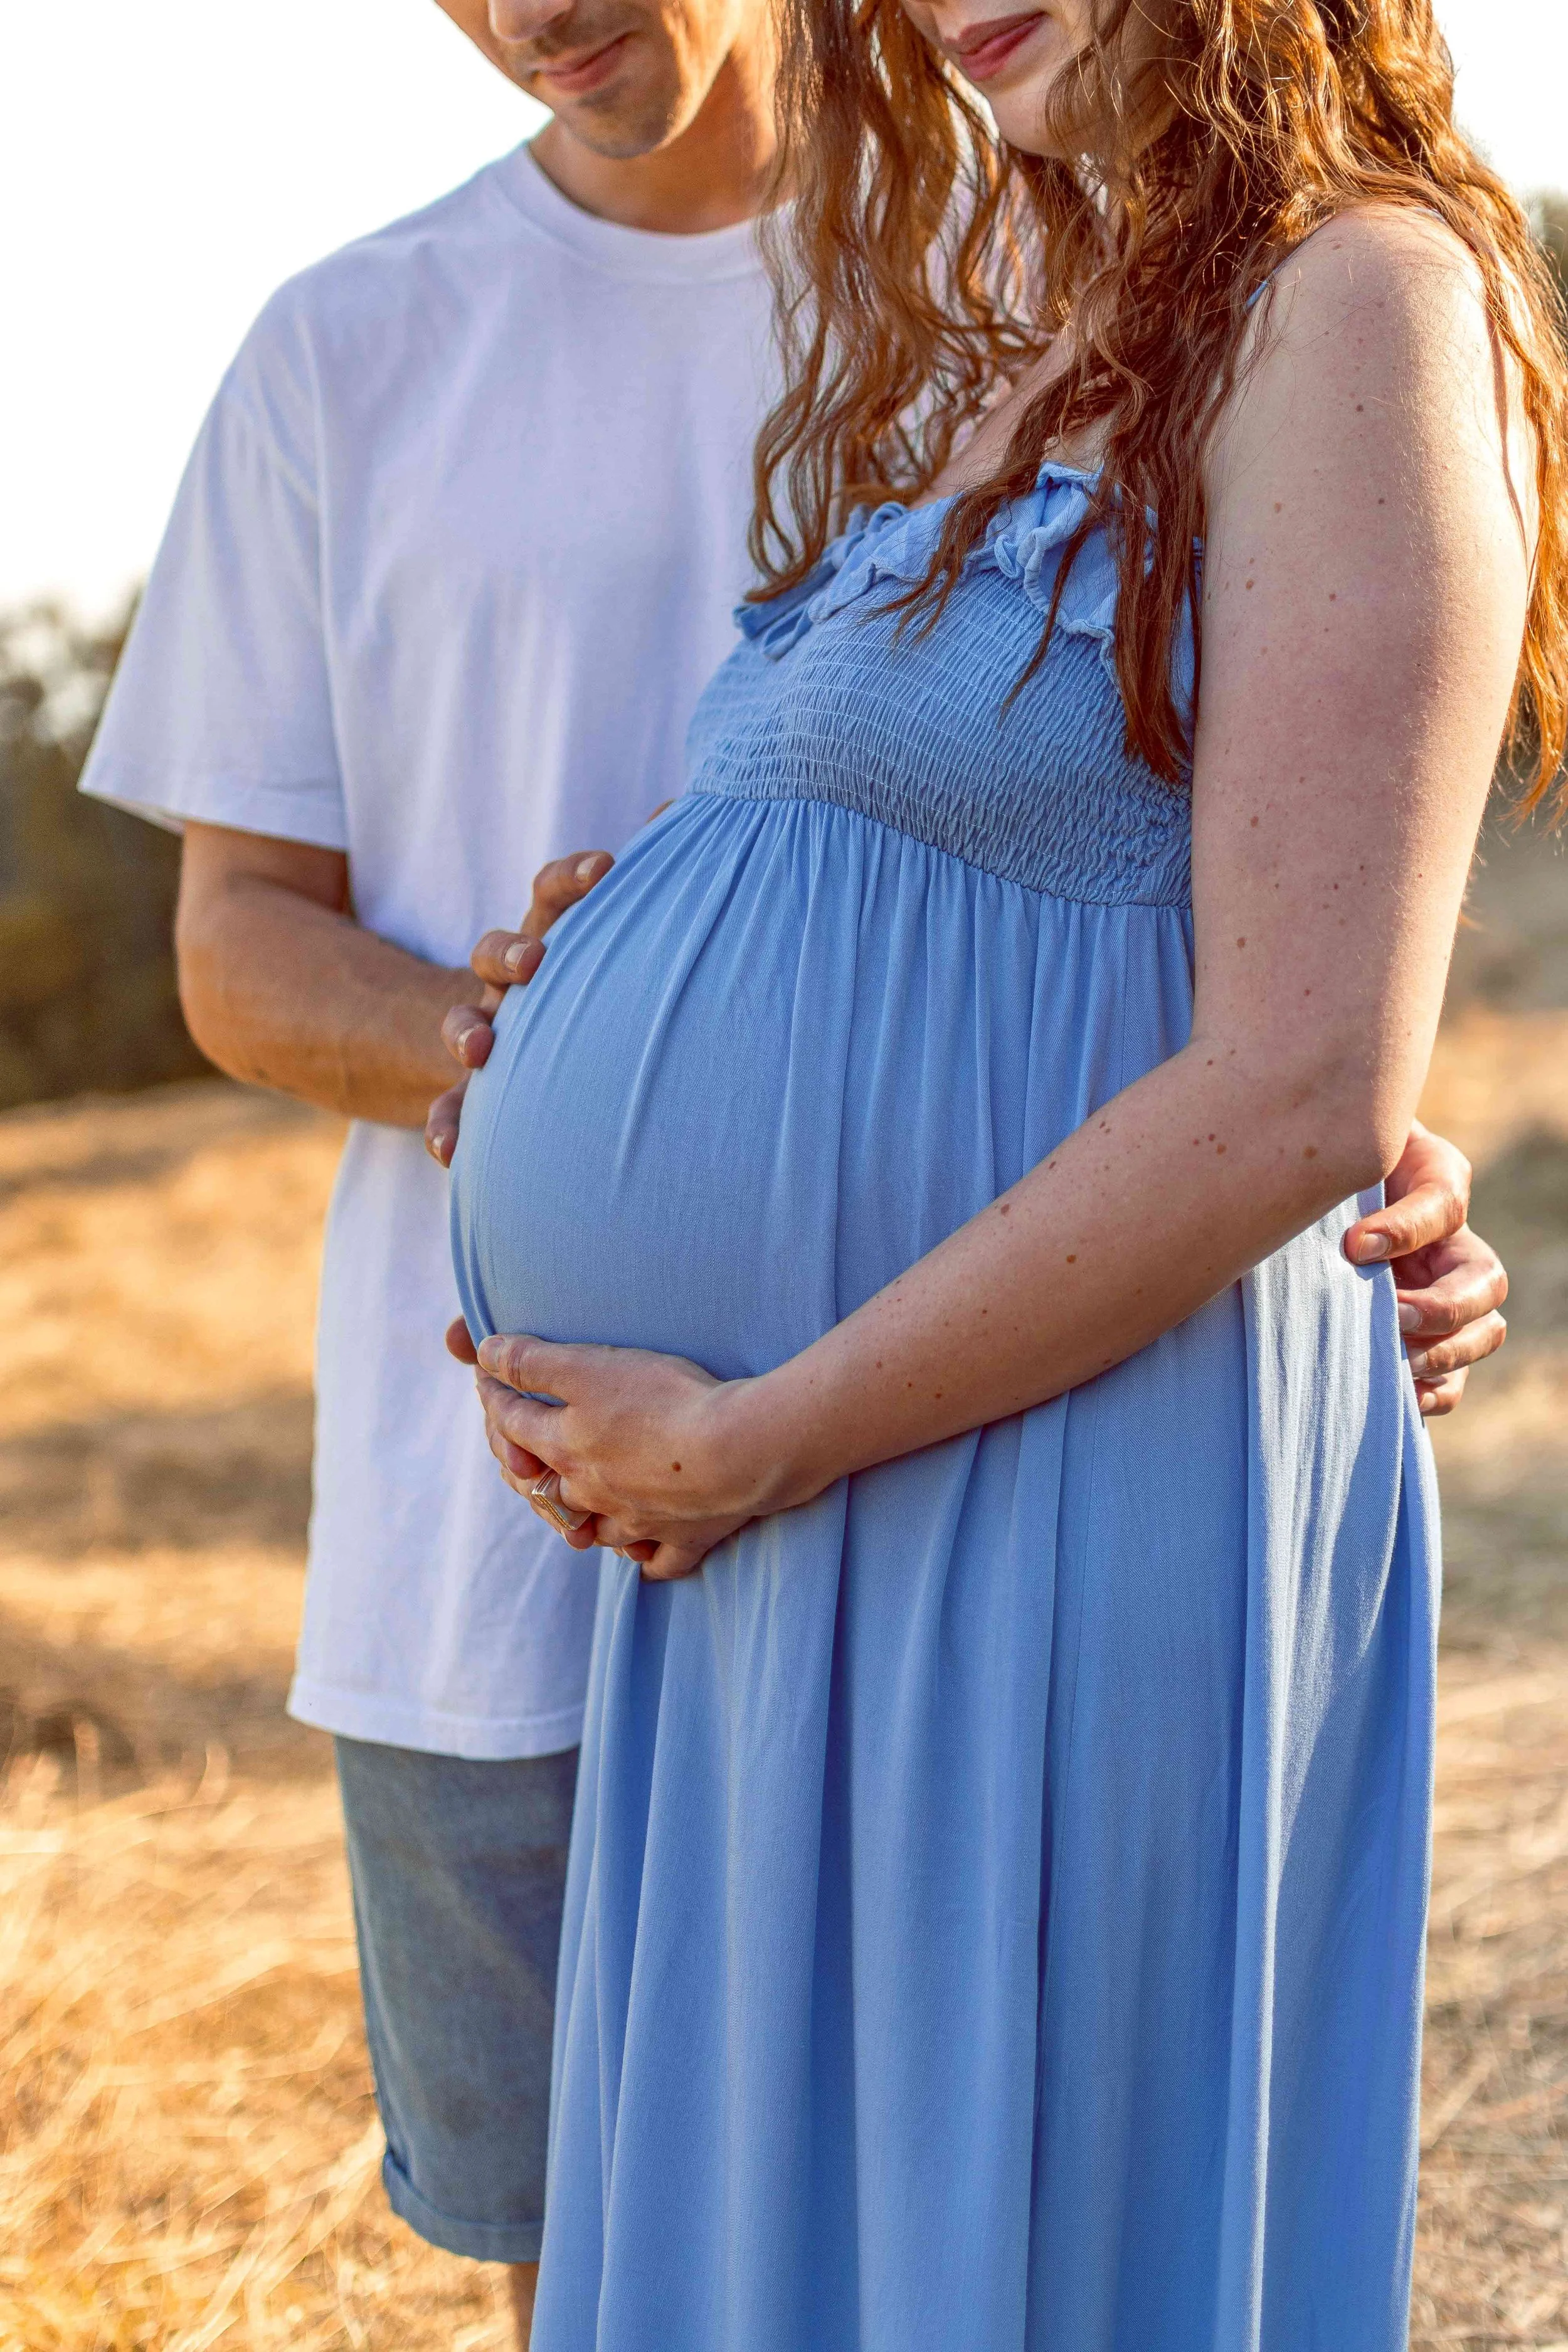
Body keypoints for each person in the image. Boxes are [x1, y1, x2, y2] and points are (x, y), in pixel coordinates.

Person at [78, 0, 1503, 2341]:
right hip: (737, 1533)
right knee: (736, 2250)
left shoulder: (1280, 284)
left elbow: (1290, 1025)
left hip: (963, 1493)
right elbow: (1100, 900)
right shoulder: (977, 317)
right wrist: (575, 994)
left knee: (998, 2239)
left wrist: (1339, 1172)